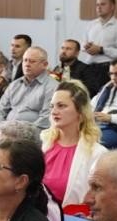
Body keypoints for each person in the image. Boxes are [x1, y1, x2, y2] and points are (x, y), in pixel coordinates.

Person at [42, 81, 108, 210]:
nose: (54, 111)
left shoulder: (98, 153)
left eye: (61, 106)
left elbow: (99, 201)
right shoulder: (45, 145)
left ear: (80, 111)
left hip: (75, 219)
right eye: (52, 106)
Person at [0, 46, 57, 131]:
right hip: (4, 133)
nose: (27, 64)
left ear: (45, 65)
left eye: (32, 61)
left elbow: (45, 120)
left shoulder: (52, 87)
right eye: (25, 60)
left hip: (31, 135)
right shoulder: (14, 85)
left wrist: (20, 135)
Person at [81, 0, 117, 94]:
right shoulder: (91, 24)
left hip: (107, 70)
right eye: (97, 5)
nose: (99, 7)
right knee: (87, 97)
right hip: (89, 67)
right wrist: (86, 47)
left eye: (103, 4)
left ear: (112, 7)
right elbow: (82, 44)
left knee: (104, 97)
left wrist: (101, 50)